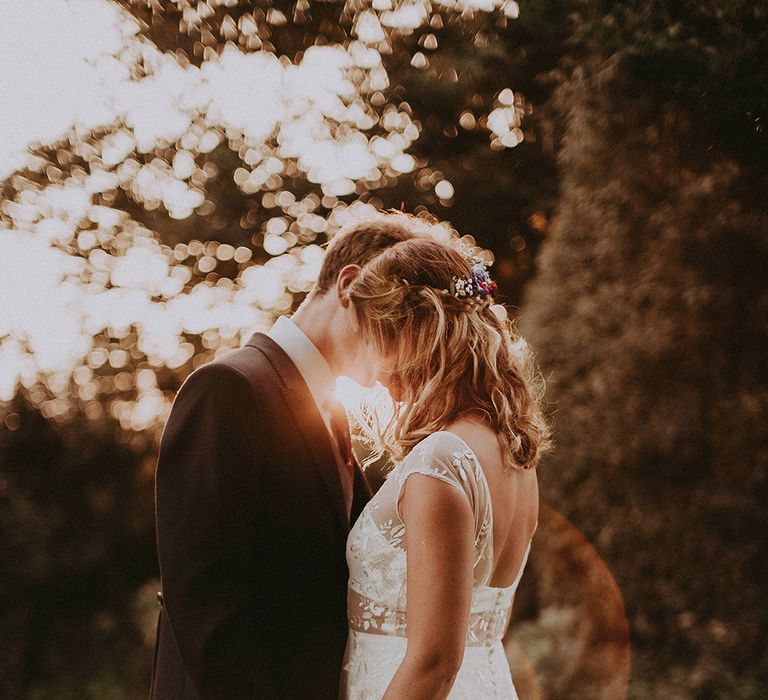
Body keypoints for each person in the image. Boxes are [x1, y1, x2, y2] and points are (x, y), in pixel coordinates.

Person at [150, 212, 436, 699]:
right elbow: (204, 607)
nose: (401, 352)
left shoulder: (332, 413)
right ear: (349, 287)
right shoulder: (229, 389)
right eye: (398, 324)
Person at [341, 237, 550, 699]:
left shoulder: (440, 462)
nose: (373, 372)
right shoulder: (513, 454)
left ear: (414, 333)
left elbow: (434, 664)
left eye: (375, 340)